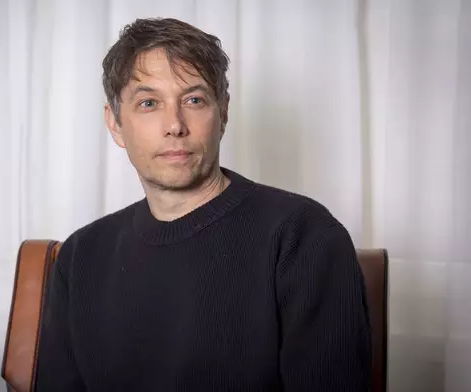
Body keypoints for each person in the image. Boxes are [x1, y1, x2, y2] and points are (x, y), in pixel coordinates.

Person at [35, 17, 371, 392]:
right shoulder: (81, 255)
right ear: (115, 124)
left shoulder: (305, 237)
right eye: (149, 103)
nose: (175, 125)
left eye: (193, 100)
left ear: (223, 112)